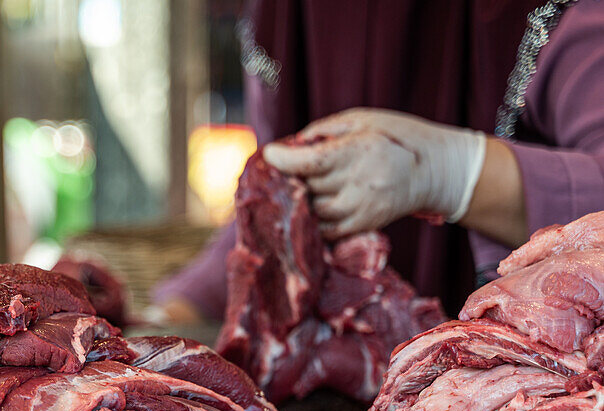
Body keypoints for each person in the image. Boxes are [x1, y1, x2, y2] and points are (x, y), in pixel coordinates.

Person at [152, 0, 604, 322]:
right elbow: (285, 200)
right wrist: (180, 310)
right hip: (357, 399)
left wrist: (450, 173)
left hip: (533, 399)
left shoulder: (563, 14)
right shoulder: (284, 14)